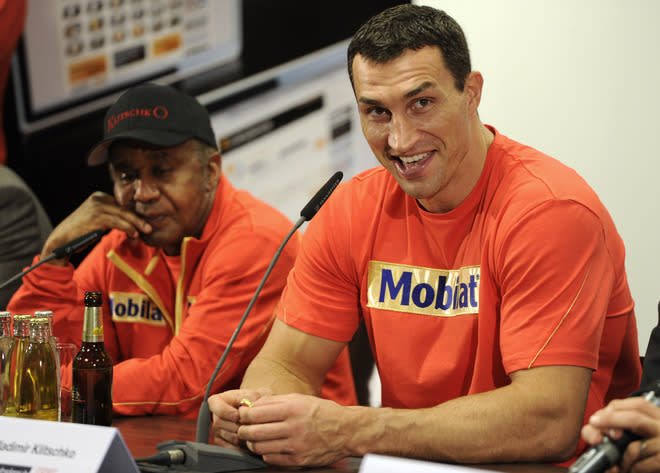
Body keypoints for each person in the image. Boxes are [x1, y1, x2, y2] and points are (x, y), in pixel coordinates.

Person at [208, 4, 641, 467]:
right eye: (377, 112)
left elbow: (547, 422)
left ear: (471, 92)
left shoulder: (550, 212)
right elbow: (288, 363)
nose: (400, 140)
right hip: (405, 461)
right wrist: (261, 411)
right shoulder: (350, 209)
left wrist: (349, 429)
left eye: (421, 104)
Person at [7, 83, 357, 418]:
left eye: (162, 171)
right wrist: (53, 257)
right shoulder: (121, 244)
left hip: (299, 454)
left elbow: (183, 384)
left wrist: (53, 384)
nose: (142, 193)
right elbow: (36, 358)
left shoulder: (256, 241)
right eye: (127, 176)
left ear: (210, 172)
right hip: (176, 443)